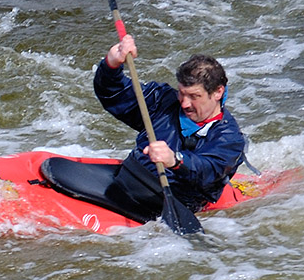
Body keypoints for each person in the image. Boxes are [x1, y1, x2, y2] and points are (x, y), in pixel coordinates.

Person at [82, 34, 246, 223]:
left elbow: (207, 170)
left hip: (169, 203)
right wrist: (111, 66)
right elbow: (115, 96)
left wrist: (175, 161)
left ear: (218, 92)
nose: (184, 103)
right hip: (128, 180)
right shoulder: (162, 100)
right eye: (182, 93)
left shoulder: (230, 138)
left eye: (194, 96)